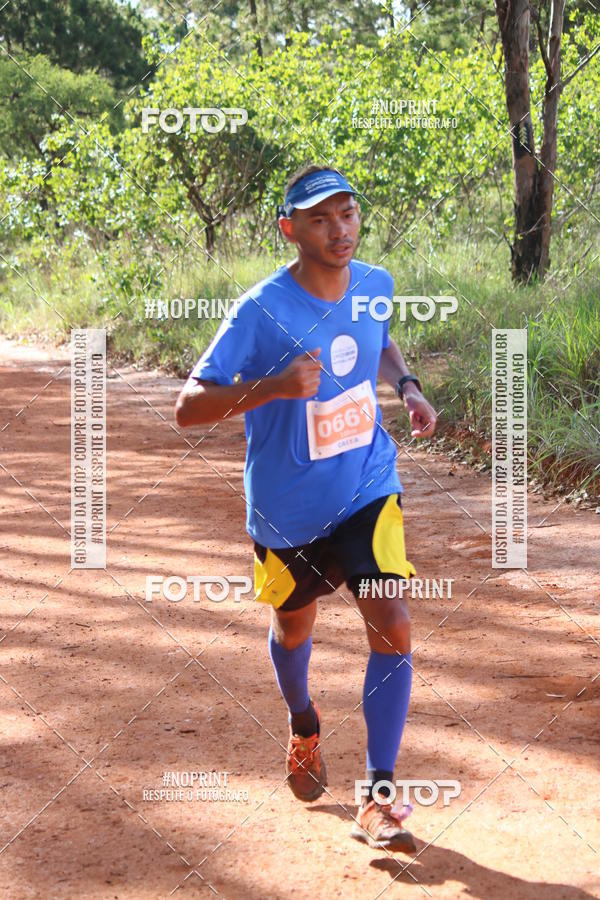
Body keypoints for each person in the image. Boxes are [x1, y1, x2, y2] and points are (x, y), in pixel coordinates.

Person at [175, 164, 437, 851]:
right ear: (289, 229)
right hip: (287, 509)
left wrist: (406, 386)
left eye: (347, 214)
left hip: (365, 487)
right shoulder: (259, 309)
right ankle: (303, 723)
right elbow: (187, 408)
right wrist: (273, 385)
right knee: (294, 629)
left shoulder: (376, 283)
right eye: (320, 218)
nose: (339, 229)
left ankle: (379, 796)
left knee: (393, 622)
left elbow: (377, 339)